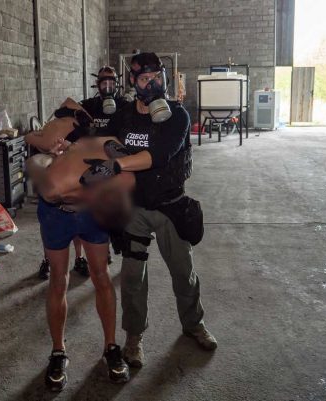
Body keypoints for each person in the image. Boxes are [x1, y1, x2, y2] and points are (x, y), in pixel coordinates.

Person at [80, 52, 218, 367]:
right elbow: (105, 139)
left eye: (157, 78)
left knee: (183, 272)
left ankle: (193, 323)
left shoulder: (178, 116)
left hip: (170, 205)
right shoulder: (125, 114)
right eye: (145, 79)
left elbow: (158, 155)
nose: (152, 85)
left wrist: (117, 165)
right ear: (133, 82)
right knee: (132, 277)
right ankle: (134, 337)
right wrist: (100, 144)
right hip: (136, 209)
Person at [25, 121, 131, 392]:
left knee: (101, 276)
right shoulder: (52, 157)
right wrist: (51, 158)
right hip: (56, 216)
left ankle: (111, 347)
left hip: (91, 214)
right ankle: (58, 351)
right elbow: (48, 188)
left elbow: (127, 176)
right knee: (58, 280)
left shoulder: (107, 147)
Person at [33, 66, 129, 280]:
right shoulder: (89, 105)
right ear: (97, 84)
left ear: (117, 83)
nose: (107, 87)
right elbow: (62, 111)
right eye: (103, 83)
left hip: (111, 166)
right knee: (72, 208)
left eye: (111, 82)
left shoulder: (125, 107)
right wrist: (77, 115)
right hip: (85, 164)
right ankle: (60, 257)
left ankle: (103, 250)